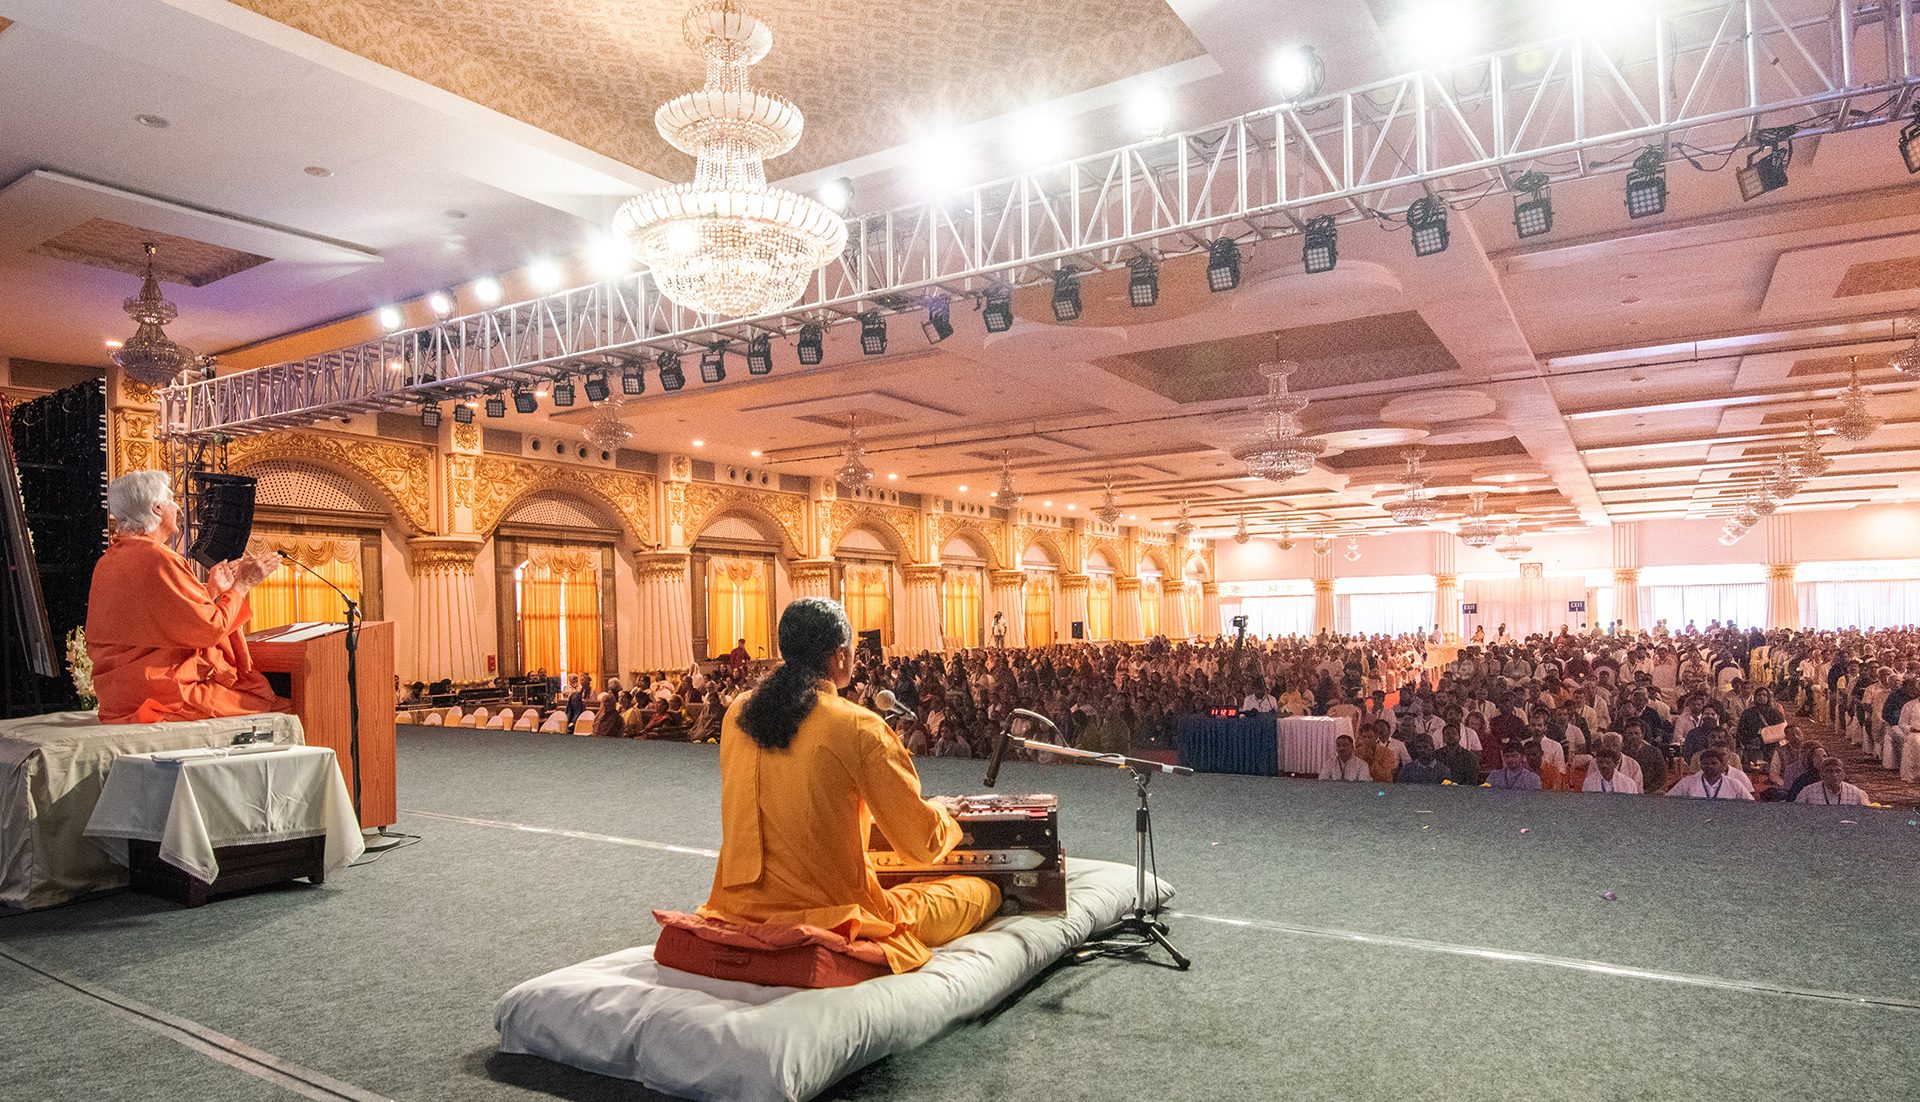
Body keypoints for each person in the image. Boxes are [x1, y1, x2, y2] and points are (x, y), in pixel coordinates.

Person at [698, 598, 999, 975]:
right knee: (979, 892)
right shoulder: (858, 726)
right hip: (833, 917)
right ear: (841, 655)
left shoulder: (739, 712)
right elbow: (921, 845)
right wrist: (941, 811)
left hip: (735, 910)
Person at [84, 470, 290, 724]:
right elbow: (209, 628)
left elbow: (158, 622)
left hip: (118, 695)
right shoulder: (160, 559)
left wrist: (212, 591)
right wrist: (243, 584)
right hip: (161, 692)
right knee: (283, 708)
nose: (176, 509)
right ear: (157, 509)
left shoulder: (107, 562)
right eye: (171, 501)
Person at [1667, 748, 1754, 800]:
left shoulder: (1734, 784)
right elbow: (1669, 800)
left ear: (1721, 765)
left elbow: (1750, 804)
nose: (1709, 766)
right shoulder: (1687, 782)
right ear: (1701, 765)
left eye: (1714, 763)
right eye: (1706, 763)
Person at [1794, 756, 1869, 805]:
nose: (1834, 774)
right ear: (1821, 775)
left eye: (1838, 771)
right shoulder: (1808, 793)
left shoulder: (1856, 794)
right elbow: (1797, 815)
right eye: (1829, 771)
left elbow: (1865, 817)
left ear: (1843, 774)